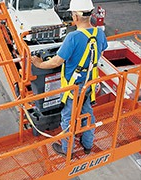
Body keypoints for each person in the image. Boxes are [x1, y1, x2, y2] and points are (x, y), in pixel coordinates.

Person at [31, 0, 108, 156]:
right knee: (87, 113)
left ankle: (67, 150)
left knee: (68, 118)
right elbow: (101, 50)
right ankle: (87, 145)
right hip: (90, 84)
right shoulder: (99, 33)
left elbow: (56, 61)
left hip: (73, 87)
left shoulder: (73, 37)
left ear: (76, 16)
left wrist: (39, 63)